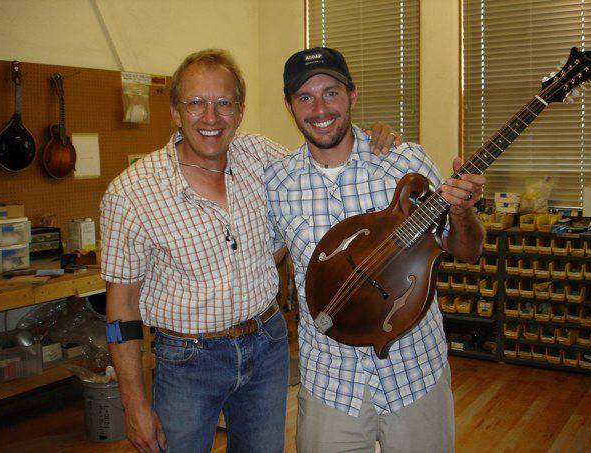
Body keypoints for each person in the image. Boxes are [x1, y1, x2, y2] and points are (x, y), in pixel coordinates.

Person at [100, 48, 399, 453]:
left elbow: (324, 160)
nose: (211, 117)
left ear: (240, 112)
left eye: (224, 103)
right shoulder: (131, 193)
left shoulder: (261, 158)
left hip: (267, 348)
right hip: (187, 361)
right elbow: (121, 309)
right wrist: (134, 405)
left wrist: (371, 137)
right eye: (196, 103)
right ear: (174, 111)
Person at [265, 47, 486, 452]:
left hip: (415, 372)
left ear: (352, 94)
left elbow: (466, 250)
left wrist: (464, 213)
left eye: (331, 92)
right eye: (305, 97)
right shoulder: (276, 184)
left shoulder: (405, 162)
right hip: (331, 383)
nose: (319, 108)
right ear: (289, 106)